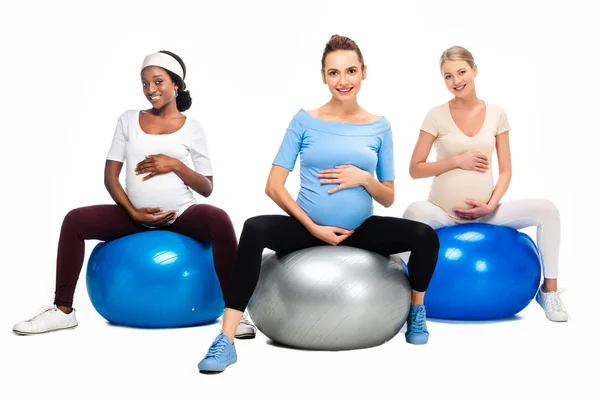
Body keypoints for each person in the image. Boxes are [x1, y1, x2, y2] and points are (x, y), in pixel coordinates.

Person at [197, 35, 440, 373]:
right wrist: (313, 227)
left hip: (360, 229)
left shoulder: (379, 126)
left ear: (364, 72)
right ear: (323, 76)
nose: (343, 81)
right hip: (307, 227)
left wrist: (365, 179)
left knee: (425, 236)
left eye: (351, 71)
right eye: (334, 73)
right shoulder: (304, 120)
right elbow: (273, 186)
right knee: (254, 227)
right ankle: (226, 339)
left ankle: (416, 311)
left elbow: (388, 196)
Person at [13, 50, 256, 339]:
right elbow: (110, 176)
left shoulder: (193, 129)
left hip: (180, 214)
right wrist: (133, 212)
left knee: (219, 219)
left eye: (158, 81)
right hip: (134, 215)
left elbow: (206, 187)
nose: (150, 90)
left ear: (176, 84)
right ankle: (63, 310)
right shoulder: (128, 120)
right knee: (74, 221)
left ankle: (236, 313)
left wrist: (175, 165)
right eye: (144, 83)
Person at [403, 45, 568, 323]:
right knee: (414, 213)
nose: (456, 81)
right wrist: (456, 161)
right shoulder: (435, 115)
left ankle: (549, 291)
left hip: (487, 213)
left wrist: (490, 205)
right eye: (448, 76)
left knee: (548, 210)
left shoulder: (496, 114)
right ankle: (403, 293)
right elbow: (415, 169)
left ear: (474, 70)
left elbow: (506, 171)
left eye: (461, 72)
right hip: (443, 214)